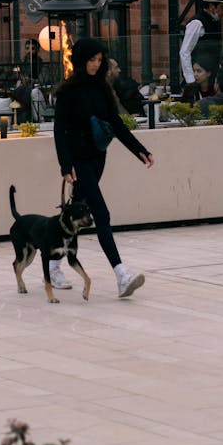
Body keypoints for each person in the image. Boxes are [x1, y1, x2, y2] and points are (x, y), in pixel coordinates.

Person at [53, 37, 154, 299]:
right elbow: (59, 132)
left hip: (98, 158)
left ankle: (52, 264)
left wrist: (139, 150)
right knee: (101, 214)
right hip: (78, 161)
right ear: (80, 61)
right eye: (91, 60)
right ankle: (121, 274)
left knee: (73, 215)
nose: (96, 65)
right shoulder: (67, 92)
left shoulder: (102, 89)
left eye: (99, 60)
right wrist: (65, 165)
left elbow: (116, 124)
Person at [179, 0, 223, 86]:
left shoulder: (215, 22)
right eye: (222, 7)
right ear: (212, 7)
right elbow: (185, 52)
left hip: (210, 78)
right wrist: (190, 79)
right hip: (198, 78)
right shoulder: (197, 23)